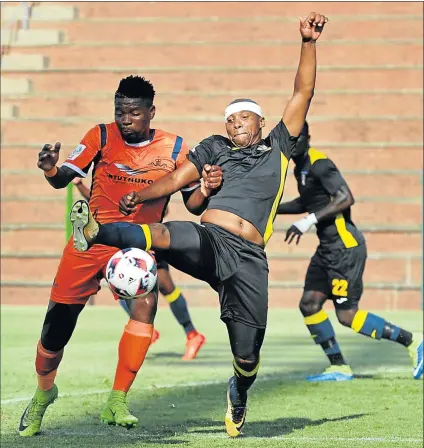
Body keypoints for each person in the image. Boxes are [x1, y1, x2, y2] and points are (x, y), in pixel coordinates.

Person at [69, 13, 329, 437]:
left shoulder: (279, 146)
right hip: (211, 239)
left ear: (261, 123)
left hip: (249, 259)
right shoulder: (214, 147)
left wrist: (308, 42)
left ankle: (240, 389)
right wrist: (144, 194)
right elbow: (175, 181)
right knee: (167, 234)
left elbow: (304, 90)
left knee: (247, 354)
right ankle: (97, 231)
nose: (235, 123)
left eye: (243, 117)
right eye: (230, 119)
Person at [18, 75, 222, 437]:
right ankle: (44, 393)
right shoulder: (100, 135)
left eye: (134, 113)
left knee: (147, 309)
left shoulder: (175, 149)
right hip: (89, 240)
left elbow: (192, 204)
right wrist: (50, 167)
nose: (125, 119)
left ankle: (117, 399)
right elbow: (62, 177)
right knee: (54, 334)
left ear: (150, 112)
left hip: (136, 247)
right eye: (120, 112)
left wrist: (205, 189)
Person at [277, 121, 423, 381]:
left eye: (296, 139)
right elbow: (308, 201)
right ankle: (339, 366)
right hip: (327, 250)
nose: (292, 144)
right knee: (309, 304)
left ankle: (413, 342)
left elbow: (345, 197)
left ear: (308, 138)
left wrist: (308, 221)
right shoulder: (300, 168)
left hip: (345, 249)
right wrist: (274, 208)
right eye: (288, 140)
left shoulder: (321, 164)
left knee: (347, 315)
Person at [73, 177, 206, 360]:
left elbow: (163, 208)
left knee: (167, 287)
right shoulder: (118, 182)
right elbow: (97, 202)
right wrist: (80, 185)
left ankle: (192, 335)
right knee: (121, 285)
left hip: (147, 237)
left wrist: (144, 200)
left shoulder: (147, 178)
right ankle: (154, 332)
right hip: (127, 244)